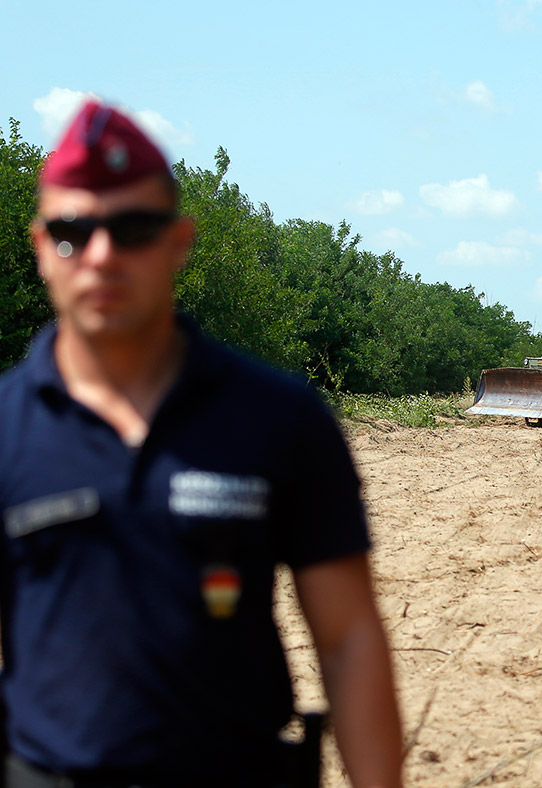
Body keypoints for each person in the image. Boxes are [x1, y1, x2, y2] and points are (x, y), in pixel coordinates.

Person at [0, 101, 404, 787]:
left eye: (133, 228)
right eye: (73, 231)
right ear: (42, 247)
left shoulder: (280, 418)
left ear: (179, 241)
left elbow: (348, 640)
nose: (101, 254)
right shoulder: (6, 427)